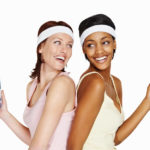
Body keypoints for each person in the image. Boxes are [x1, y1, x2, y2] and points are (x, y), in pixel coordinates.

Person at [67, 14, 150, 150]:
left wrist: (147, 102)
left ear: (114, 44)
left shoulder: (115, 82)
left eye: (105, 42)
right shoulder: (94, 82)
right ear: (84, 50)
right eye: (90, 45)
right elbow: (73, 146)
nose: (99, 51)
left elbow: (114, 138)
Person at [0, 21, 76, 150]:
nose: (64, 50)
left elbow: (39, 145)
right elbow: (34, 138)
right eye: (57, 42)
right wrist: (4, 115)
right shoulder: (32, 87)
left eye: (69, 45)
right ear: (40, 47)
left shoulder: (63, 84)